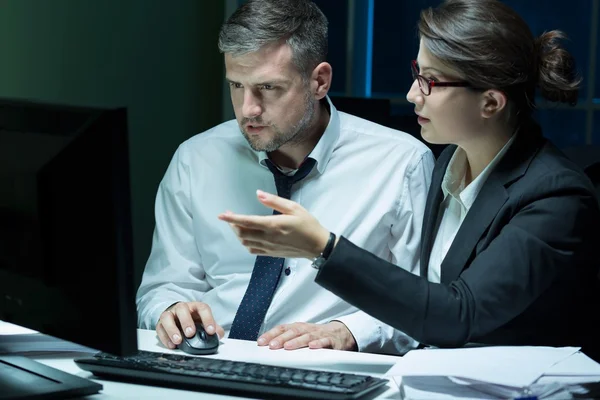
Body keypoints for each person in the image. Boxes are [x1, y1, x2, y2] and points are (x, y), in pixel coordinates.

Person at [220, 0, 600, 358]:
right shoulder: (451, 161)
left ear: (490, 103)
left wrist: (324, 247)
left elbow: (457, 315)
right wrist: (344, 329)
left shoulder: (556, 195)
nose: (412, 95)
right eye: (417, 73)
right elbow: (421, 296)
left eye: (430, 82)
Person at [136, 0, 435, 355]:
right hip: (207, 360)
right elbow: (163, 287)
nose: (248, 109)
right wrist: (171, 310)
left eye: (268, 88)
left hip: (319, 366)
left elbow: (425, 306)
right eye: (236, 85)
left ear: (319, 81)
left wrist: (348, 331)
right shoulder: (195, 159)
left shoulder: (401, 164)